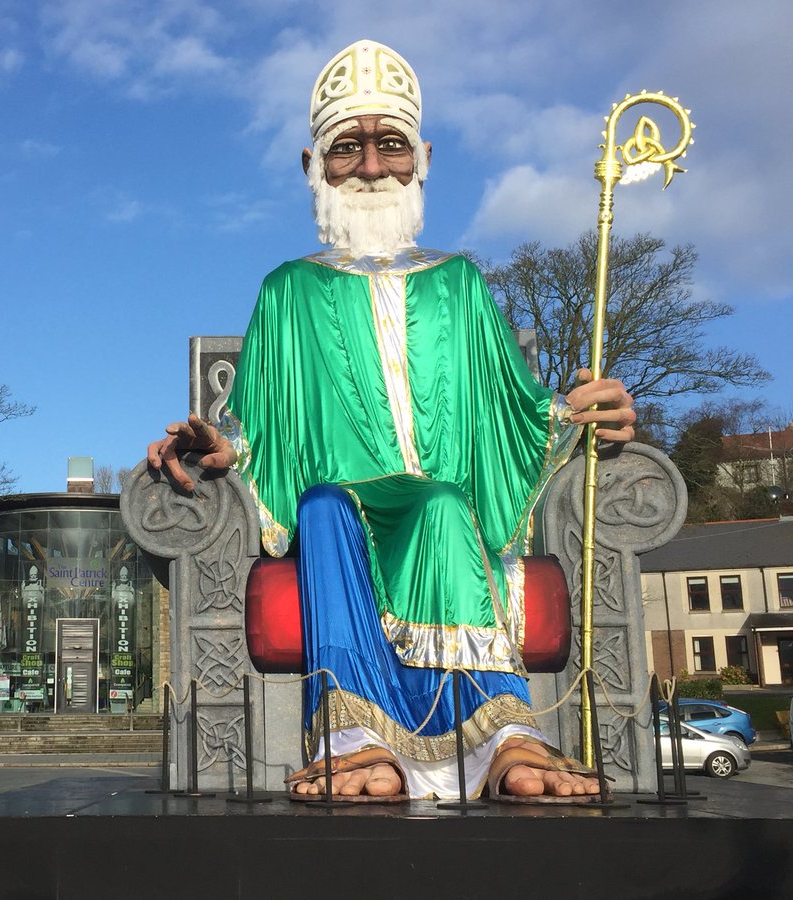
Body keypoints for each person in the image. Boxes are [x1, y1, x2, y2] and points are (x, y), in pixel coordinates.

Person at [148, 39, 637, 801]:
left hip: (441, 500)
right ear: (312, 163)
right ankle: (356, 738)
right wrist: (219, 446)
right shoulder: (287, 290)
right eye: (348, 148)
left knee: (444, 504)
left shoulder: (461, 283)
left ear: (424, 155)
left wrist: (577, 415)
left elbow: (515, 412)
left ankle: (504, 735)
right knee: (321, 507)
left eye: (390, 145)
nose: (372, 167)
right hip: (335, 503)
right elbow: (257, 427)